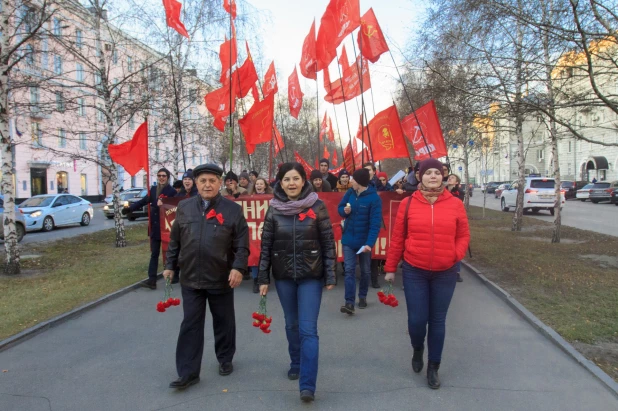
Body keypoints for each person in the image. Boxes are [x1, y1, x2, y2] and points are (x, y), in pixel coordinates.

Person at [384, 158, 470, 390]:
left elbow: (463, 235)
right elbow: (398, 237)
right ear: (420, 176)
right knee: (416, 320)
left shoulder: (455, 204)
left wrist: (455, 254)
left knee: (438, 321)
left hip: (445, 272)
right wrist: (391, 268)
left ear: (443, 176)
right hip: (415, 270)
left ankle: (434, 367)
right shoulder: (408, 204)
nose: (433, 176)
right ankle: (417, 347)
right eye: (428, 172)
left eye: (437, 172)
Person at [163, 163, 249, 390]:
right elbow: (175, 240)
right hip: (191, 277)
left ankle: (225, 358)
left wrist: (238, 267)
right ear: (196, 183)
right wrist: (170, 265)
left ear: (220, 183)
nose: (207, 185)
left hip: (221, 277)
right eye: (203, 181)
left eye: (212, 180)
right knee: (190, 325)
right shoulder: (184, 207)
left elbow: (242, 243)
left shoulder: (232, 210)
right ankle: (188, 373)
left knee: (223, 322)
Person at [258, 162, 336, 403]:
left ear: (304, 181)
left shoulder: (317, 206)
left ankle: (308, 385)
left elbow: (328, 242)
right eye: (286, 180)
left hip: (311, 276)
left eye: (295, 178)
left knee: (308, 330)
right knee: (291, 325)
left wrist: (330, 274)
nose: (291, 183)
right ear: (280, 183)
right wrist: (263, 277)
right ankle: (296, 361)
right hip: (283, 277)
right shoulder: (273, 209)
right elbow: (266, 245)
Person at [123, 167, 177, 290]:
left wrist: (163, 205)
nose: (161, 178)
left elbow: (174, 208)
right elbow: (143, 201)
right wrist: (130, 209)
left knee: (170, 254)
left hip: (167, 229)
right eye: (159, 176)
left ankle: (174, 275)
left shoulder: (172, 191)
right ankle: (151, 280)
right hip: (155, 228)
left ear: (167, 177)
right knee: (154, 254)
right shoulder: (153, 190)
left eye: (164, 176)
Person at [338, 168, 382, 314]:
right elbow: (340, 208)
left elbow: (375, 224)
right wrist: (344, 211)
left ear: (361, 182)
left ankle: (362, 296)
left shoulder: (374, 199)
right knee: (349, 270)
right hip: (348, 239)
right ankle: (349, 302)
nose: (351, 181)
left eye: (353, 180)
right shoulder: (350, 193)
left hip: (364, 242)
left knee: (365, 271)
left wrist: (369, 244)